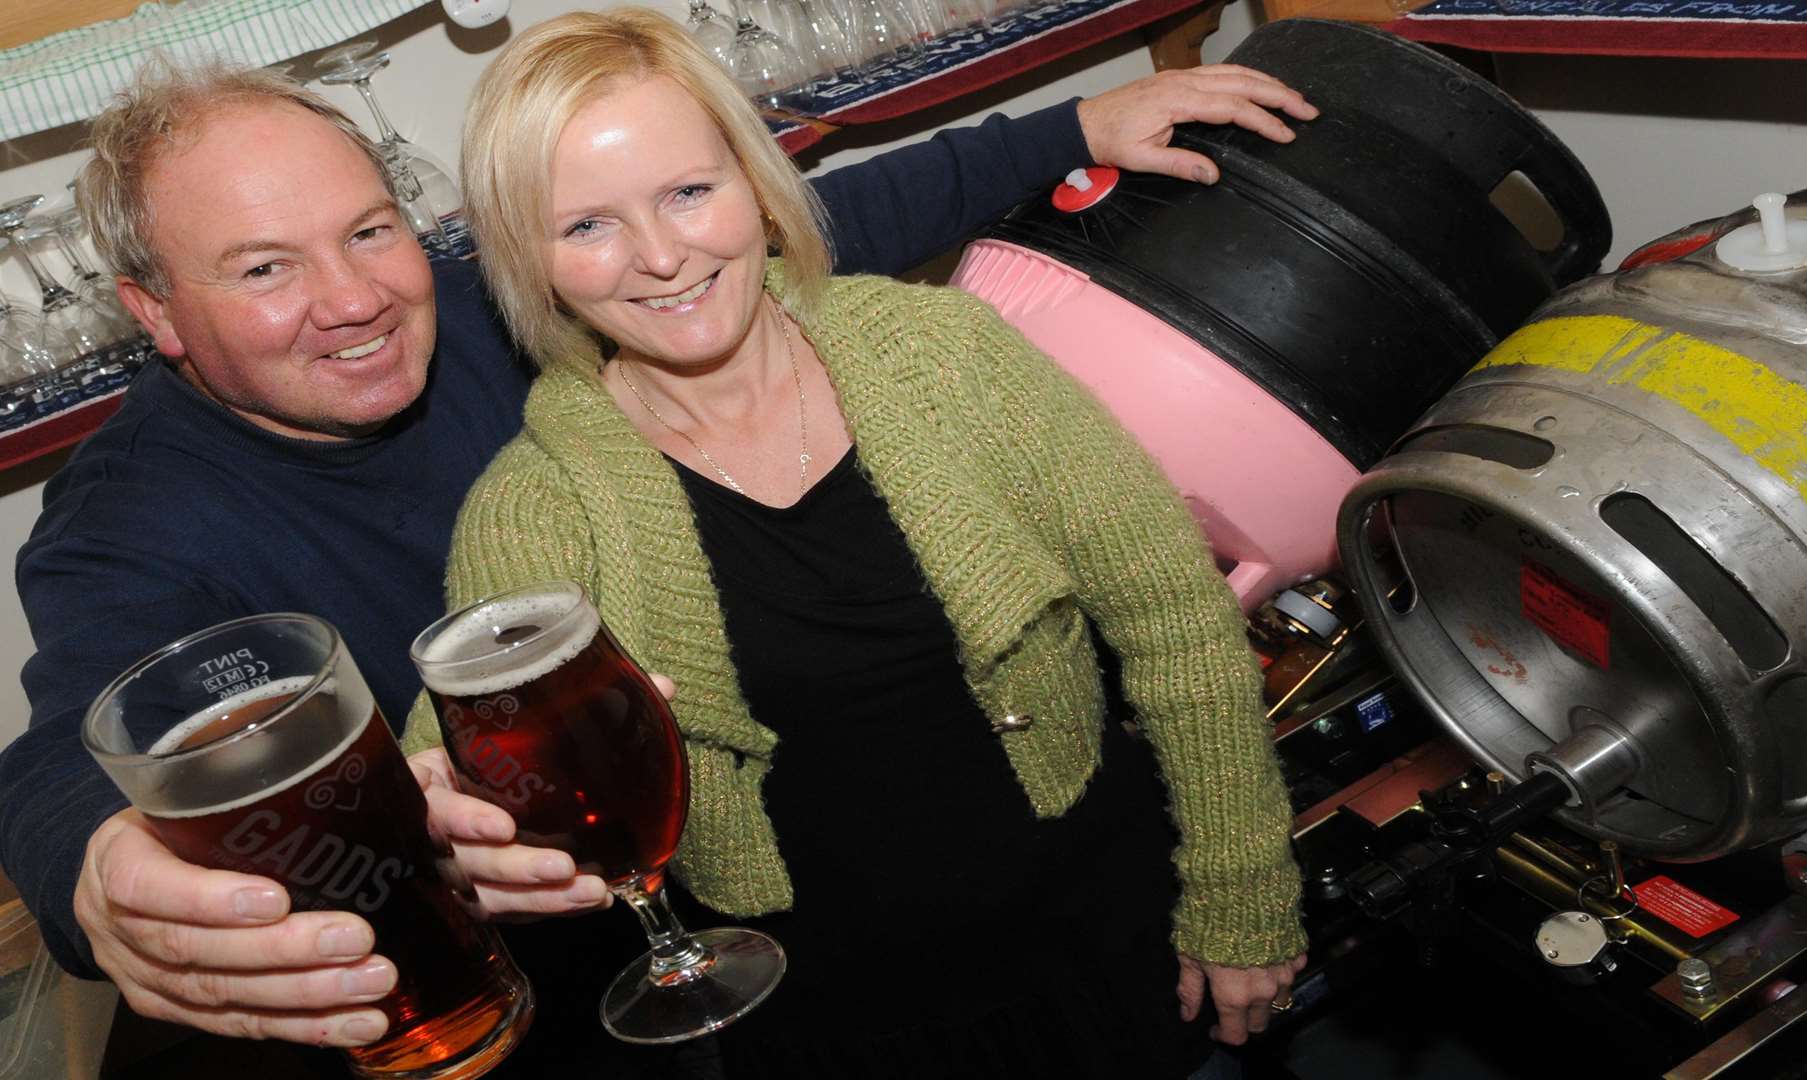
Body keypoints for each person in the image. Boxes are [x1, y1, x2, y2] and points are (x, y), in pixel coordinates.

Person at [0, 40, 1317, 1062]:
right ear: (155, 312)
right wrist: (100, 869)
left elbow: (724, 237)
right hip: (569, 962)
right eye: (262, 270)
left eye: (368, 230)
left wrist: (1074, 126)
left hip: (997, 890)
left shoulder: (489, 303)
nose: (351, 300)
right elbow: (78, 735)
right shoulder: (128, 524)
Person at [407, 8, 1309, 1077]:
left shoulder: (946, 353)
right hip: (829, 1026)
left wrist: (1243, 891)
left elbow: (1173, 619)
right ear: (530, 262)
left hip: (1119, 952)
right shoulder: (534, 508)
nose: (659, 257)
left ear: (756, 181)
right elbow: (458, 750)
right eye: (586, 226)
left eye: (689, 192)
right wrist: (439, 821)